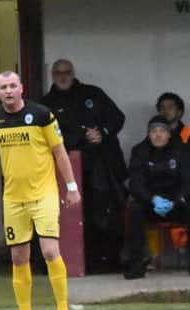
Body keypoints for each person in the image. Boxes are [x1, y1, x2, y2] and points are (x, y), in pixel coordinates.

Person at [0, 71, 81, 310]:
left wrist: (71, 186)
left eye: (12, 86)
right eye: (3, 87)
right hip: (13, 199)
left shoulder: (42, 115)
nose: (8, 91)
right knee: (18, 258)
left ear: (22, 88)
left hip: (44, 195)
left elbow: (59, 152)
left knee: (50, 251)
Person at [41, 59, 127, 273]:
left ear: (73, 73)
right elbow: (45, 136)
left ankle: (109, 261)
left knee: (105, 213)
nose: (63, 76)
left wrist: (102, 132)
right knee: (72, 216)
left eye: (67, 72)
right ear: (52, 75)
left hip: (103, 166)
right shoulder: (46, 103)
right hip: (68, 169)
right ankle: (78, 262)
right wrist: (81, 138)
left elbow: (117, 118)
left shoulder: (93, 94)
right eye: (58, 72)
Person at [124, 116, 190, 279]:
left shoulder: (181, 150)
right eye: (153, 132)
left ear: (169, 134)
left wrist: (177, 200)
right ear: (148, 134)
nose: (158, 135)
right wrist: (152, 199)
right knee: (135, 210)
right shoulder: (139, 151)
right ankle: (136, 265)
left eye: (162, 131)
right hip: (150, 203)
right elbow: (136, 183)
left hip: (176, 203)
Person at [156, 92, 190, 276]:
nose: (166, 111)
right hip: (161, 193)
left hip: (185, 191)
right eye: (162, 108)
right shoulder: (154, 135)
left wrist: (182, 195)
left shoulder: (189, 135)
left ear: (180, 111)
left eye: (170, 107)